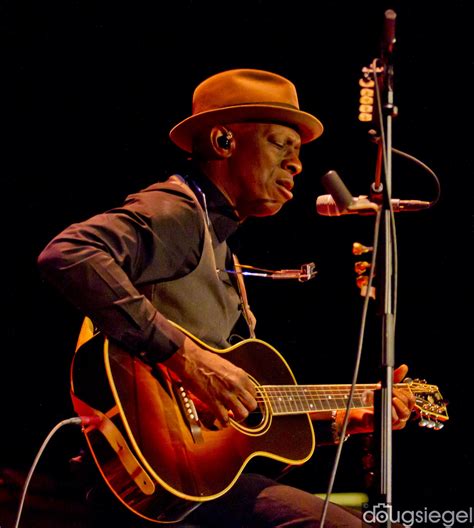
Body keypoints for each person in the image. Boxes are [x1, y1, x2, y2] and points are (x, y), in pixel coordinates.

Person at [37, 68, 415, 527]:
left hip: (191, 480)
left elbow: (239, 427)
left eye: (297, 153)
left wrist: (342, 421)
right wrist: (187, 357)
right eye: (281, 144)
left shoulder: (223, 252)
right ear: (222, 140)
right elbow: (69, 254)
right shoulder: (177, 211)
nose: (296, 165)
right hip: (148, 478)